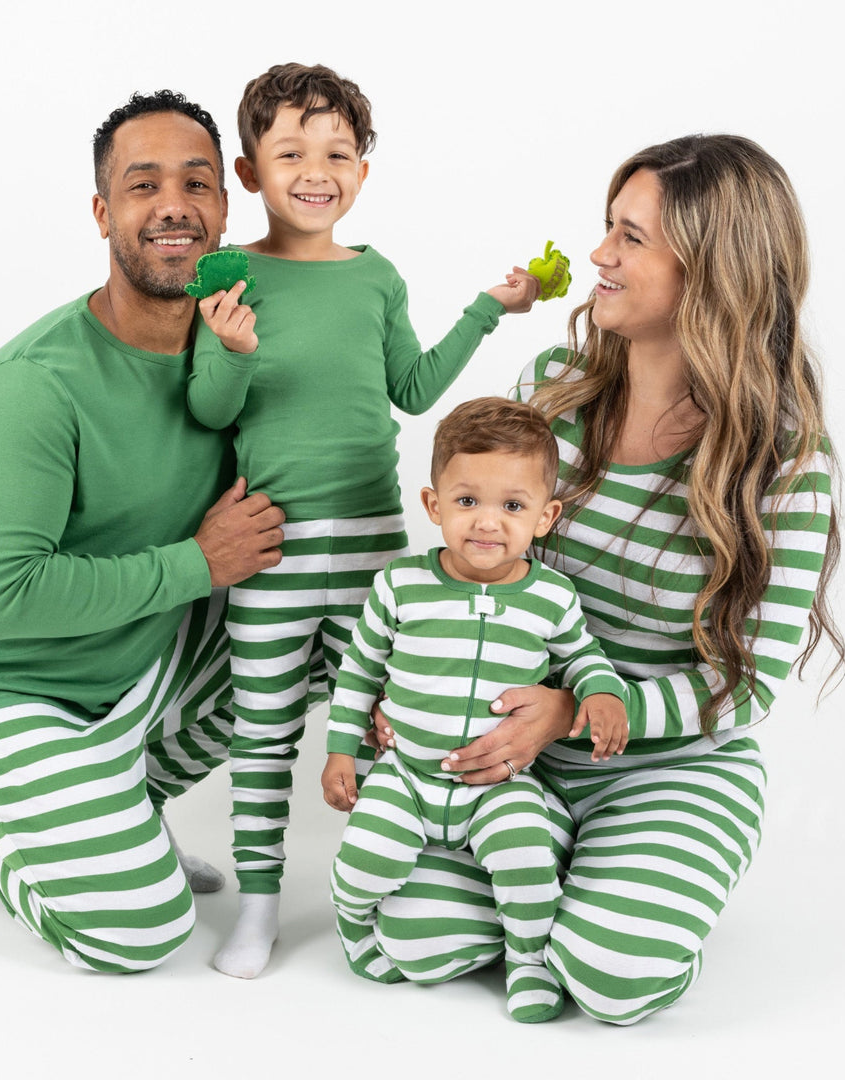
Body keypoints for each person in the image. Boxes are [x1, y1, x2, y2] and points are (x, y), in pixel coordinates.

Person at [366, 133, 844, 1024]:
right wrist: (427, 682)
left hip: (669, 764)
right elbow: (487, 569)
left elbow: (751, 683)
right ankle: (558, 883)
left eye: (631, 238)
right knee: (412, 937)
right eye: (606, 228)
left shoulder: (784, 460)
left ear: (710, 270)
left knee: (616, 978)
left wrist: (580, 712)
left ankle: (603, 896)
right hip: (520, 751)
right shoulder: (555, 389)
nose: (598, 256)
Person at [0, 90, 306, 973]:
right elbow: (3, 601)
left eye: (196, 183)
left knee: (309, 630)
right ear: (102, 213)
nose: (173, 205)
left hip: (134, 669)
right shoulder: (36, 382)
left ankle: (109, 806)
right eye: (142, 184)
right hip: (2, 689)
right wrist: (199, 563)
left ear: (223, 211)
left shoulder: (231, 343)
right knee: (139, 932)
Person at [187, 62, 541, 980]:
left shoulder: (375, 275)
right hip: (269, 551)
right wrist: (228, 350)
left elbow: (413, 389)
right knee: (261, 731)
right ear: (248, 170)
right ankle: (259, 908)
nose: (316, 169)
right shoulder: (229, 278)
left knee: (386, 719)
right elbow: (211, 414)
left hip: (375, 551)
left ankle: (405, 884)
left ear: (363, 172)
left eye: (338, 152)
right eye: (292, 151)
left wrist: (488, 311)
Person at [322, 396, 628, 1023]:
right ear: (434, 505)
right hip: (407, 778)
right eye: (467, 502)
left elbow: (585, 657)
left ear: (545, 517)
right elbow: (358, 671)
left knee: (524, 857)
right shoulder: (400, 584)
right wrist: (340, 751)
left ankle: (529, 962)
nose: (488, 523)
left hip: (499, 784)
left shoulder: (551, 596)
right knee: (363, 860)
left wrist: (602, 693)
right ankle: (355, 930)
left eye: (512, 506)